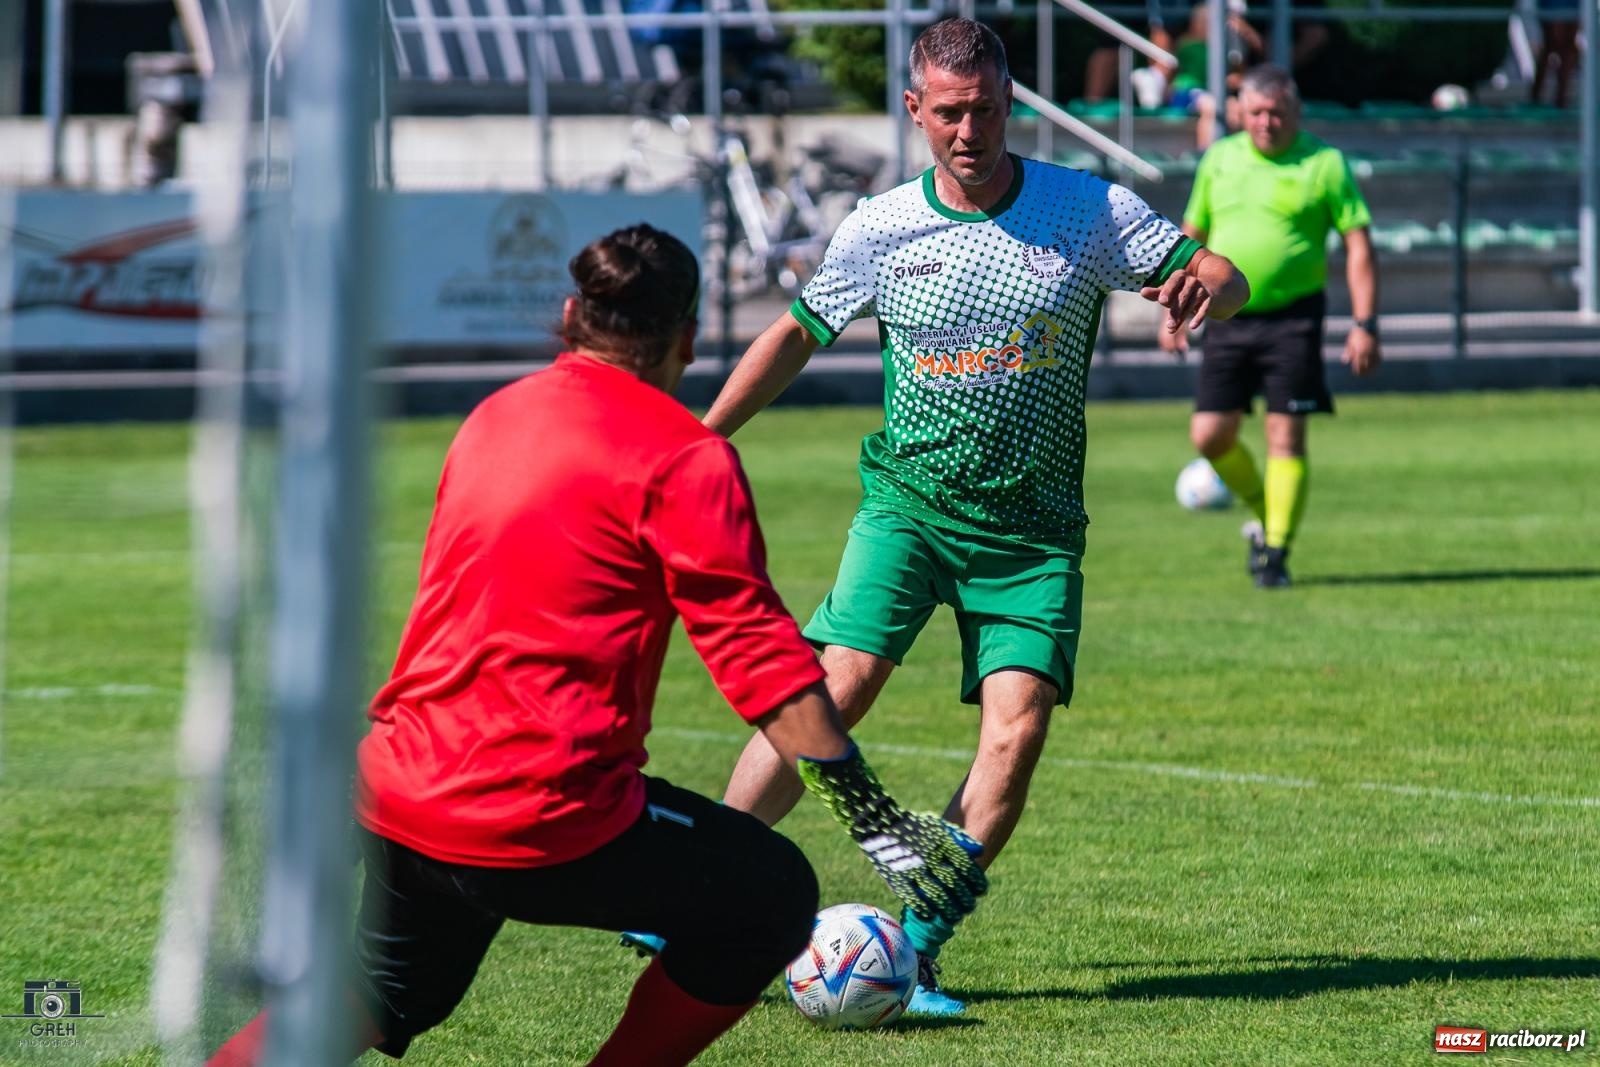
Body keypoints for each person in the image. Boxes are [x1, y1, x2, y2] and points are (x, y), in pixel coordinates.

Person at [203, 225, 987, 1067]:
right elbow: (754, 655)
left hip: (404, 785)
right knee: (773, 894)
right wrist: (863, 805)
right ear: (686, 338)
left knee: (384, 987)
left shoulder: (494, 416)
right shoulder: (685, 456)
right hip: (543, 812)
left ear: (572, 314)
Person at [695, 17, 1249, 1016]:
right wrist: (707, 433)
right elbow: (795, 333)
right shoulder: (878, 226)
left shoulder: (1087, 211)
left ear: (1008, 104)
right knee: (836, 685)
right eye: (948, 112)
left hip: (1033, 531)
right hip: (909, 506)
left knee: (1019, 727)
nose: (968, 129)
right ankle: (698, 897)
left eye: (985, 109)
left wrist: (1201, 284)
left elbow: (1221, 272)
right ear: (915, 111)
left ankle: (909, 948)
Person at [1162, 64, 1381, 589]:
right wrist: (1173, 314)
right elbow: (1191, 238)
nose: (1266, 123)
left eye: (1277, 114)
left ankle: (1276, 554)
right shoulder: (1220, 159)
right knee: (1209, 435)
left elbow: (1358, 244)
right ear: (1240, 112)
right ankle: (1267, 512)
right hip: (1225, 316)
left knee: (1286, 433)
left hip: (1294, 319)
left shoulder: (1324, 164)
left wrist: (1365, 322)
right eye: (1256, 112)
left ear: (1295, 114)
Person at [1530, 0, 1580, 109]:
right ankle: (1538, 96)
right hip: (1551, 10)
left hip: (1572, 10)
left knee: (1567, 52)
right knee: (1554, 48)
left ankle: (1560, 97)